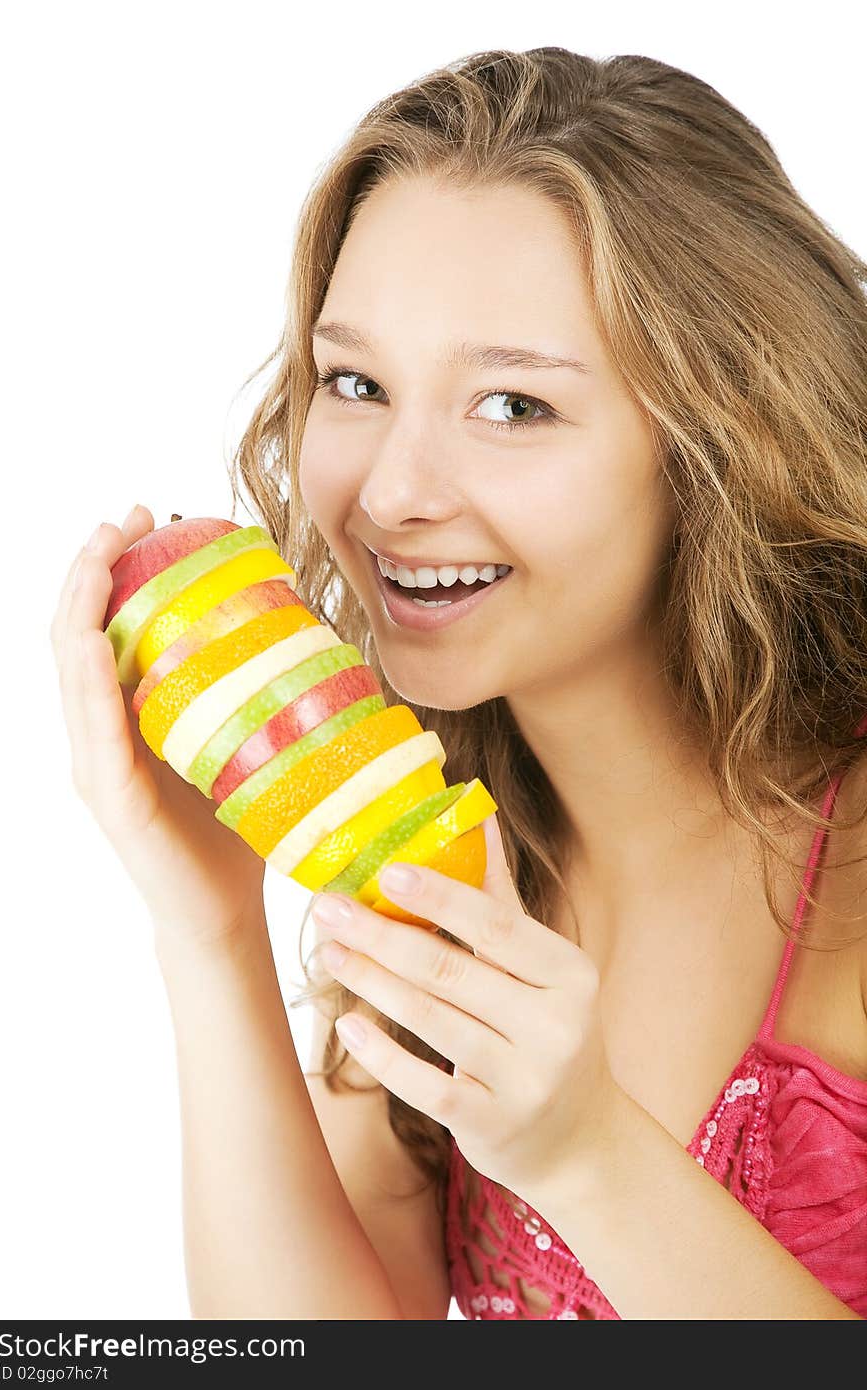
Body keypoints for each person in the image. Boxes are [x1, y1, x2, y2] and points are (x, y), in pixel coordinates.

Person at [50, 47, 867, 1319]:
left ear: (724, 434)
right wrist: (206, 925)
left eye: (512, 405)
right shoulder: (446, 846)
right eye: (356, 383)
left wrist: (584, 1151)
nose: (387, 495)